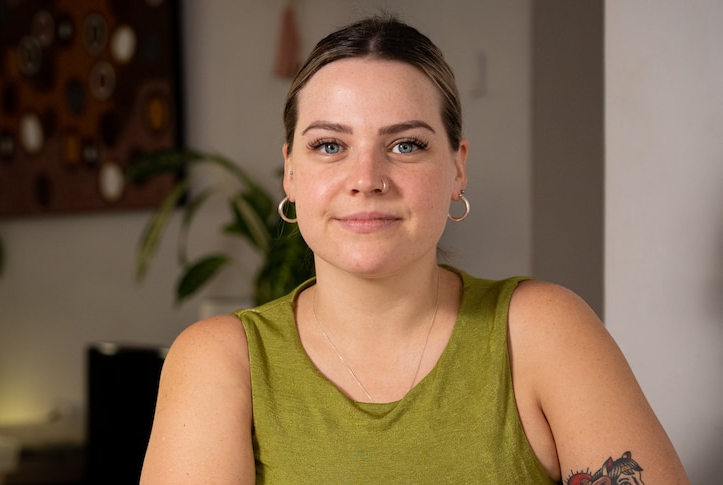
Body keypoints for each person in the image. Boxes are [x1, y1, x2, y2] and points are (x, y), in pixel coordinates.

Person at [140, 14, 689, 484]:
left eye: (406, 145)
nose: (366, 178)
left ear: (458, 168)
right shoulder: (220, 360)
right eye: (329, 145)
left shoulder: (543, 331)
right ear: (290, 172)